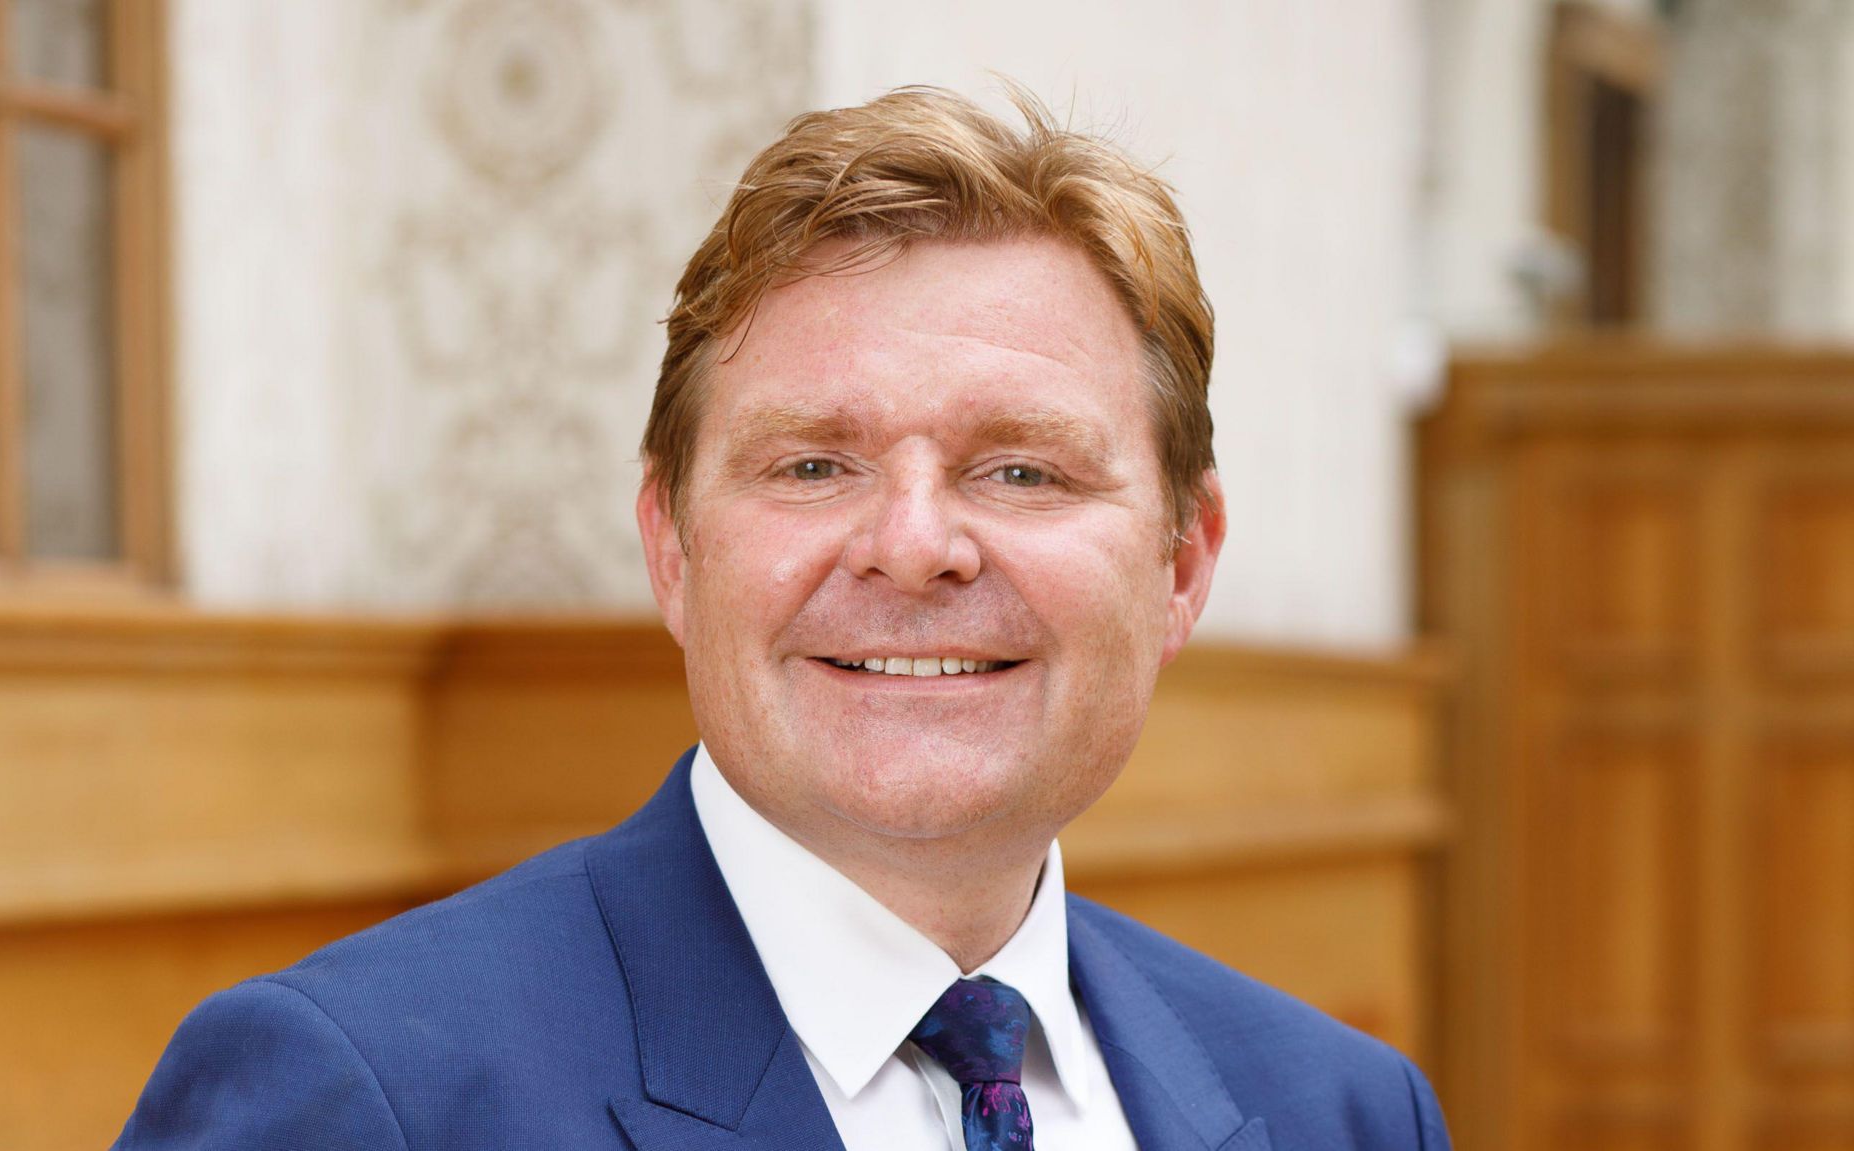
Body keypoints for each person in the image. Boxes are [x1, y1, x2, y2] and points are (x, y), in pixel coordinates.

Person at [114, 85, 1451, 1151]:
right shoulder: (365, 1101)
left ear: (1181, 561)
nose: (915, 546)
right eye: (814, 466)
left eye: (1022, 469)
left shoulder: (1343, 1113)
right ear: (673, 548)